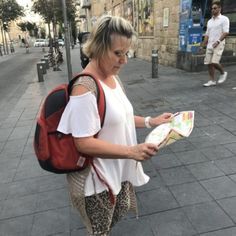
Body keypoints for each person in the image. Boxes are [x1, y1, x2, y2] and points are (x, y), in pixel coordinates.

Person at [57, 15, 173, 236]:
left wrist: (151, 121)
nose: (124, 60)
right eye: (117, 53)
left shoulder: (112, 78)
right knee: (100, 232)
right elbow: (83, 143)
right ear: (99, 48)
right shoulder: (84, 87)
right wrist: (132, 151)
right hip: (97, 183)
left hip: (118, 173)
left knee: (114, 220)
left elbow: (120, 116)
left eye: (126, 53)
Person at [201, 1, 230, 87]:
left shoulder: (224, 19)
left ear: (219, 9)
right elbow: (207, 34)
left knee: (214, 62)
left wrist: (218, 41)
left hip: (219, 43)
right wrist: (203, 44)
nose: (213, 10)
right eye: (212, 8)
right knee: (209, 63)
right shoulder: (209, 21)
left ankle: (223, 72)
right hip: (210, 44)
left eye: (215, 8)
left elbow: (226, 32)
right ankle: (212, 80)